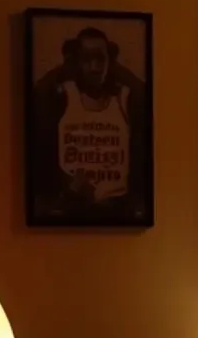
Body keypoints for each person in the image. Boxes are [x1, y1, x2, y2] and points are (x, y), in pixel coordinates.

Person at [30, 26, 147, 219]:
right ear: (75, 62)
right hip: (70, 206)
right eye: (86, 59)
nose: (94, 68)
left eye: (100, 59)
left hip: (118, 208)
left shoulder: (126, 99)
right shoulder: (59, 98)